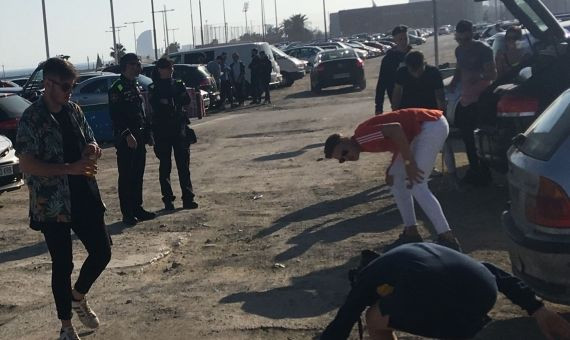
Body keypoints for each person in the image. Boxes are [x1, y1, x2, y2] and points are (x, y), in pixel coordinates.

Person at [15, 57, 111, 340]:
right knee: (63, 264)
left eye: (73, 86)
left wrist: (92, 149)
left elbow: (90, 141)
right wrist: (68, 168)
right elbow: (27, 164)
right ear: (48, 84)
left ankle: (77, 297)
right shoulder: (31, 118)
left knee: (102, 251)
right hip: (52, 204)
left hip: (83, 193)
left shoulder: (74, 110)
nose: (71, 91)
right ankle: (66, 327)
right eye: (66, 86)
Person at [320, 243, 570, 340]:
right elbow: (494, 273)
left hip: (445, 301)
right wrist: (538, 309)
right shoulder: (411, 254)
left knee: (373, 318)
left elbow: (345, 319)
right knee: (446, 309)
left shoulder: (369, 278)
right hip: (482, 291)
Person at [324, 108, 461, 251]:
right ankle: (411, 232)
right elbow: (398, 141)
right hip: (421, 130)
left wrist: (409, 163)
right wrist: (393, 168)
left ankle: (447, 238)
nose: (347, 158)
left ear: (346, 140)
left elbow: (396, 130)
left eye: (344, 152)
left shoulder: (361, 138)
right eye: (342, 160)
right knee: (394, 178)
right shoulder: (362, 143)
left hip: (431, 125)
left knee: (417, 183)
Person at [108, 53, 156, 226]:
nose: (139, 67)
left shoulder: (134, 85)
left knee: (138, 174)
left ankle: (138, 208)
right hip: (126, 138)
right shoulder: (117, 88)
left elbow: (141, 112)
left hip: (140, 135)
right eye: (135, 64)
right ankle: (127, 213)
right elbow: (116, 115)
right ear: (127, 66)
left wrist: (148, 133)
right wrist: (127, 134)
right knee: (127, 176)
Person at [448, 20, 497, 186]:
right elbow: (459, 69)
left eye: (466, 39)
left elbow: (492, 74)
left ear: (471, 34)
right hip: (466, 98)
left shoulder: (483, 49)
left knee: (480, 135)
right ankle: (474, 169)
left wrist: (479, 77)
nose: (463, 43)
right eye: (459, 39)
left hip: (481, 98)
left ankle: (485, 171)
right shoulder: (459, 50)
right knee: (466, 136)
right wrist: (454, 82)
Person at [148, 57, 198, 211]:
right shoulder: (154, 87)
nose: (170, 70)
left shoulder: (177, 84)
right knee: (165, 167)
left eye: (171, 68)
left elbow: (185, 101)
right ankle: (168, 200)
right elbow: (156, 105)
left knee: (183, 166)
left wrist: (171, 100)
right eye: (167, 68)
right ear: (160, 70)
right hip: (162, 130)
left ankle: (188, 198)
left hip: (179, 129)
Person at [375, 25, 412, 114]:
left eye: (405, 38)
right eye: (400, 39)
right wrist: (378, 108)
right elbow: (381, 84)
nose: (403, 42)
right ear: (395, 40)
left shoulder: (414, 56)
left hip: (416, 100)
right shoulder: (388, 60)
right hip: (398, 102)